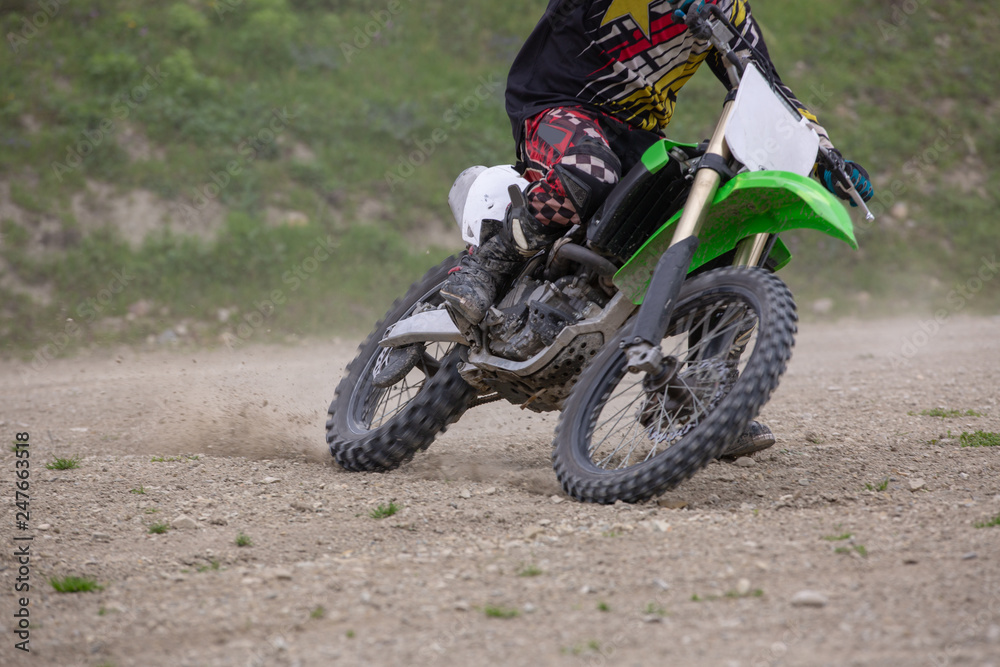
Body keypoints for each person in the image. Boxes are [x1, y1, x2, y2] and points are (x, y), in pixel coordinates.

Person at [440, 0, 874, 457]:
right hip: (557, 101)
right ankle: (483, 268)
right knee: (589, 171)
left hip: (635, 134)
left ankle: (695, 405)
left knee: (724, 232)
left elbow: (764, 85)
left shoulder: (727, 10)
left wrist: (827, 156)